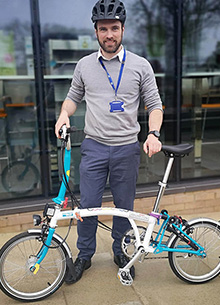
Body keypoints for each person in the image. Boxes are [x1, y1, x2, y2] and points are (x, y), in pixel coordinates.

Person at [54, 0, 163, 284]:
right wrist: (63, 115)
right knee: (88, 205)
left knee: (124, 206)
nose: (109, 34)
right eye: (104, 29)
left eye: (114, 28)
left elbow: (155, 105)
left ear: (123, 29)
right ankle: (84, 256)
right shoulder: (84, 66)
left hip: (127, 148)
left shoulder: (140, 66)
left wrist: (153, 133)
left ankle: (120, 251)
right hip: (94, 147)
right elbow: (73, 98)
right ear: (96, 32)